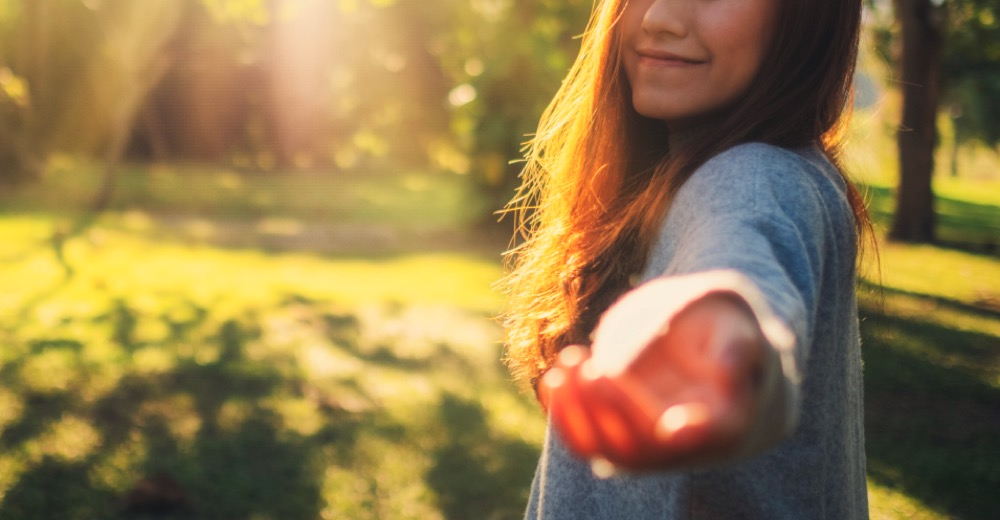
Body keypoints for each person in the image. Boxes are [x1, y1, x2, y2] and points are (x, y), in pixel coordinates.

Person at [501, 0, 873, 518]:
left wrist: (724, 324)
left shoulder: (756, 176)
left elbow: (740, 247)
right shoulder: (739, 169)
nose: (658, 17)